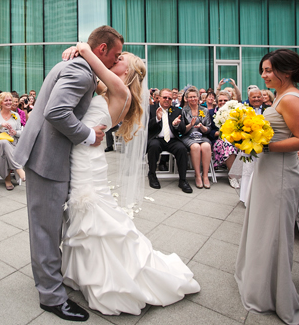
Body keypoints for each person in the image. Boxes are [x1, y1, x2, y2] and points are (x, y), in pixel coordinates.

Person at [59, 43, 200, 315]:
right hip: (86, 155)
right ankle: (86, 273)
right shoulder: (110, 89)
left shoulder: (120, 90)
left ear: (130, 70)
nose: (115, 58)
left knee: (93, 214)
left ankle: (108, 279)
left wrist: (82, 48)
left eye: (120, 58)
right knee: (85, 214)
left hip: (88, 160)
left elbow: (92, 58)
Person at [15, 25, 123, 322]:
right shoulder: (81, 71)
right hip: (46, 159)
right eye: (114, 56)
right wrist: (88, 135)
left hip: (49, 156)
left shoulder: (77, 64)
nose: (114, 62)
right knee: (46, 230)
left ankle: (51, 277)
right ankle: (51, 296)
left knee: (49, 227)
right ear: (101, 50)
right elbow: (56, 112)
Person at [235, 49, 299, 325]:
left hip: (281, 171)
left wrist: (265, 145)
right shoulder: (280, 97)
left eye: (269, 70)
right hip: (268, 168)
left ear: (287, 72)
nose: (264, 75)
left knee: (275, 229)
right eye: (263, 70)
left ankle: (274, 291)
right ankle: (261, 281)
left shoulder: (292, 99)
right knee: (264, 225)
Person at [146, 89, 192, 193]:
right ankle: (152, 175)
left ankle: (183, 180)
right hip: (157, 139)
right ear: (159, 97)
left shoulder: (177, 110)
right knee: (153, 146)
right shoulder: (151, 109)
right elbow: (147, 127)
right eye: (165, 97)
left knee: (182, 149)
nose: (167, 100)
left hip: (172, 140)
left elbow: (183, 129)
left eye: (169, 98)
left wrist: (176, 125)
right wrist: (157, 119)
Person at [0, 92, 26, 190]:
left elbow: (21, 133)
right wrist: (1, 125)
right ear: (1, 103)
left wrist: (14, 133)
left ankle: (7, 179)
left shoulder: (15, 115)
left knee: (4, 146)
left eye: (10, 100)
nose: (9, 102)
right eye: (6, 101)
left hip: (12, 143)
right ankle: (18, 168)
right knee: (3, 143)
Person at [179, 87, 213, 189]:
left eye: (194, 97)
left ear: (198, 98)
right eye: (190, 97)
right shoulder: (183, 111)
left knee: (206, 146)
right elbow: (182, 130)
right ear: (186, 99)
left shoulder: (204, 110)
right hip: (188, 136)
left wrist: (202, 127)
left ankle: (205, 175)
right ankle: (197, 175)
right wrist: (190, 125)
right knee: (195, 147)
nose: (193, 99)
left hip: (202, 135)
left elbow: (209, 128)